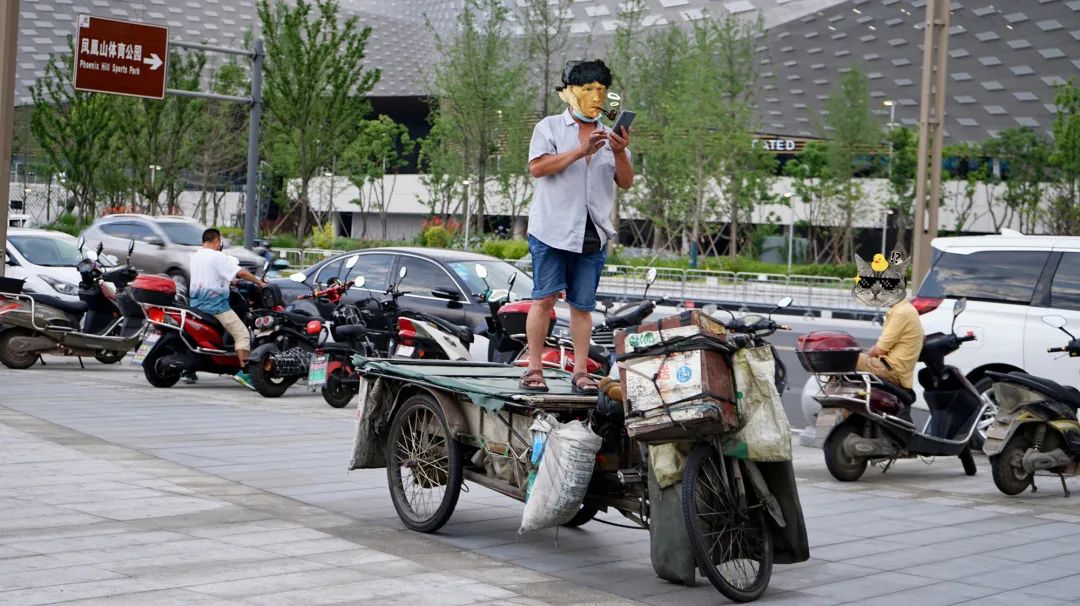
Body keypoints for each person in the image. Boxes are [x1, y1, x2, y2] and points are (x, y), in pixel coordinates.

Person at [520, 59, 634, 394]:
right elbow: (538, 168)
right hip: (551, 228)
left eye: (602, 90)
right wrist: (580, 150)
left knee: (582, 306)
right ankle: (534, 369)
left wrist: (621, 152)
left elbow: (625, 182)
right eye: (588, 89)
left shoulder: (611, 133)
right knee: (544, 299)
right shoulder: (550, 127)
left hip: (592, 232)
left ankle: (581, 373)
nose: (597, 96)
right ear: (571, 93)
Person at [189, 228, 267, 390]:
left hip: (195, 305)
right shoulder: (218, 256)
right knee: (242, 334)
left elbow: (211, 276)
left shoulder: (195, 256)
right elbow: (241, 273)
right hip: (216, 306)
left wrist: (232, 282)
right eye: (219, 242)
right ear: (216, 241)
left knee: (195, 338)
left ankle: (188, 371)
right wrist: (259, 282)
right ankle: (245, 372)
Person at [852, 252, 924, 393]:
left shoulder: (901, 312)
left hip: (891, 369)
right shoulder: (904, 309)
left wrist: (867, 355)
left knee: (843, 359)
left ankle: (836, 409)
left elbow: (880, 350)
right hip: (892, 367)